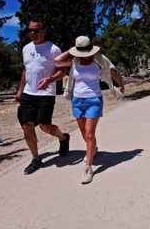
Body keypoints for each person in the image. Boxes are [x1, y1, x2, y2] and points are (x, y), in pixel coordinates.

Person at [55, 36, 125, 184]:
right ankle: (93, 149)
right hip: (77, 101)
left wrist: (120, 84)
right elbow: (58, 61)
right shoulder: (75, 61)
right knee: (85, 136)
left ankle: (88, 168)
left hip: (94, 100)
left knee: (89, 133)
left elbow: (112, 72)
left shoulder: (99, 60)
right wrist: (72, 49)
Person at [15, 20, 70, 175]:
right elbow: (25, 71)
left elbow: (62, 71)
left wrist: (50, 80)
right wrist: (20, 90)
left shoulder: (53, 49)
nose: (33, 33)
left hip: (45, 94)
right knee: (27, 125)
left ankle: (63, 138)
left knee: (44, 126)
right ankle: (36, 159)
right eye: (30, 30)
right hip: (28, 93)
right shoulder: (26, 48)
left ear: (44, 31)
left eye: (36, 30)